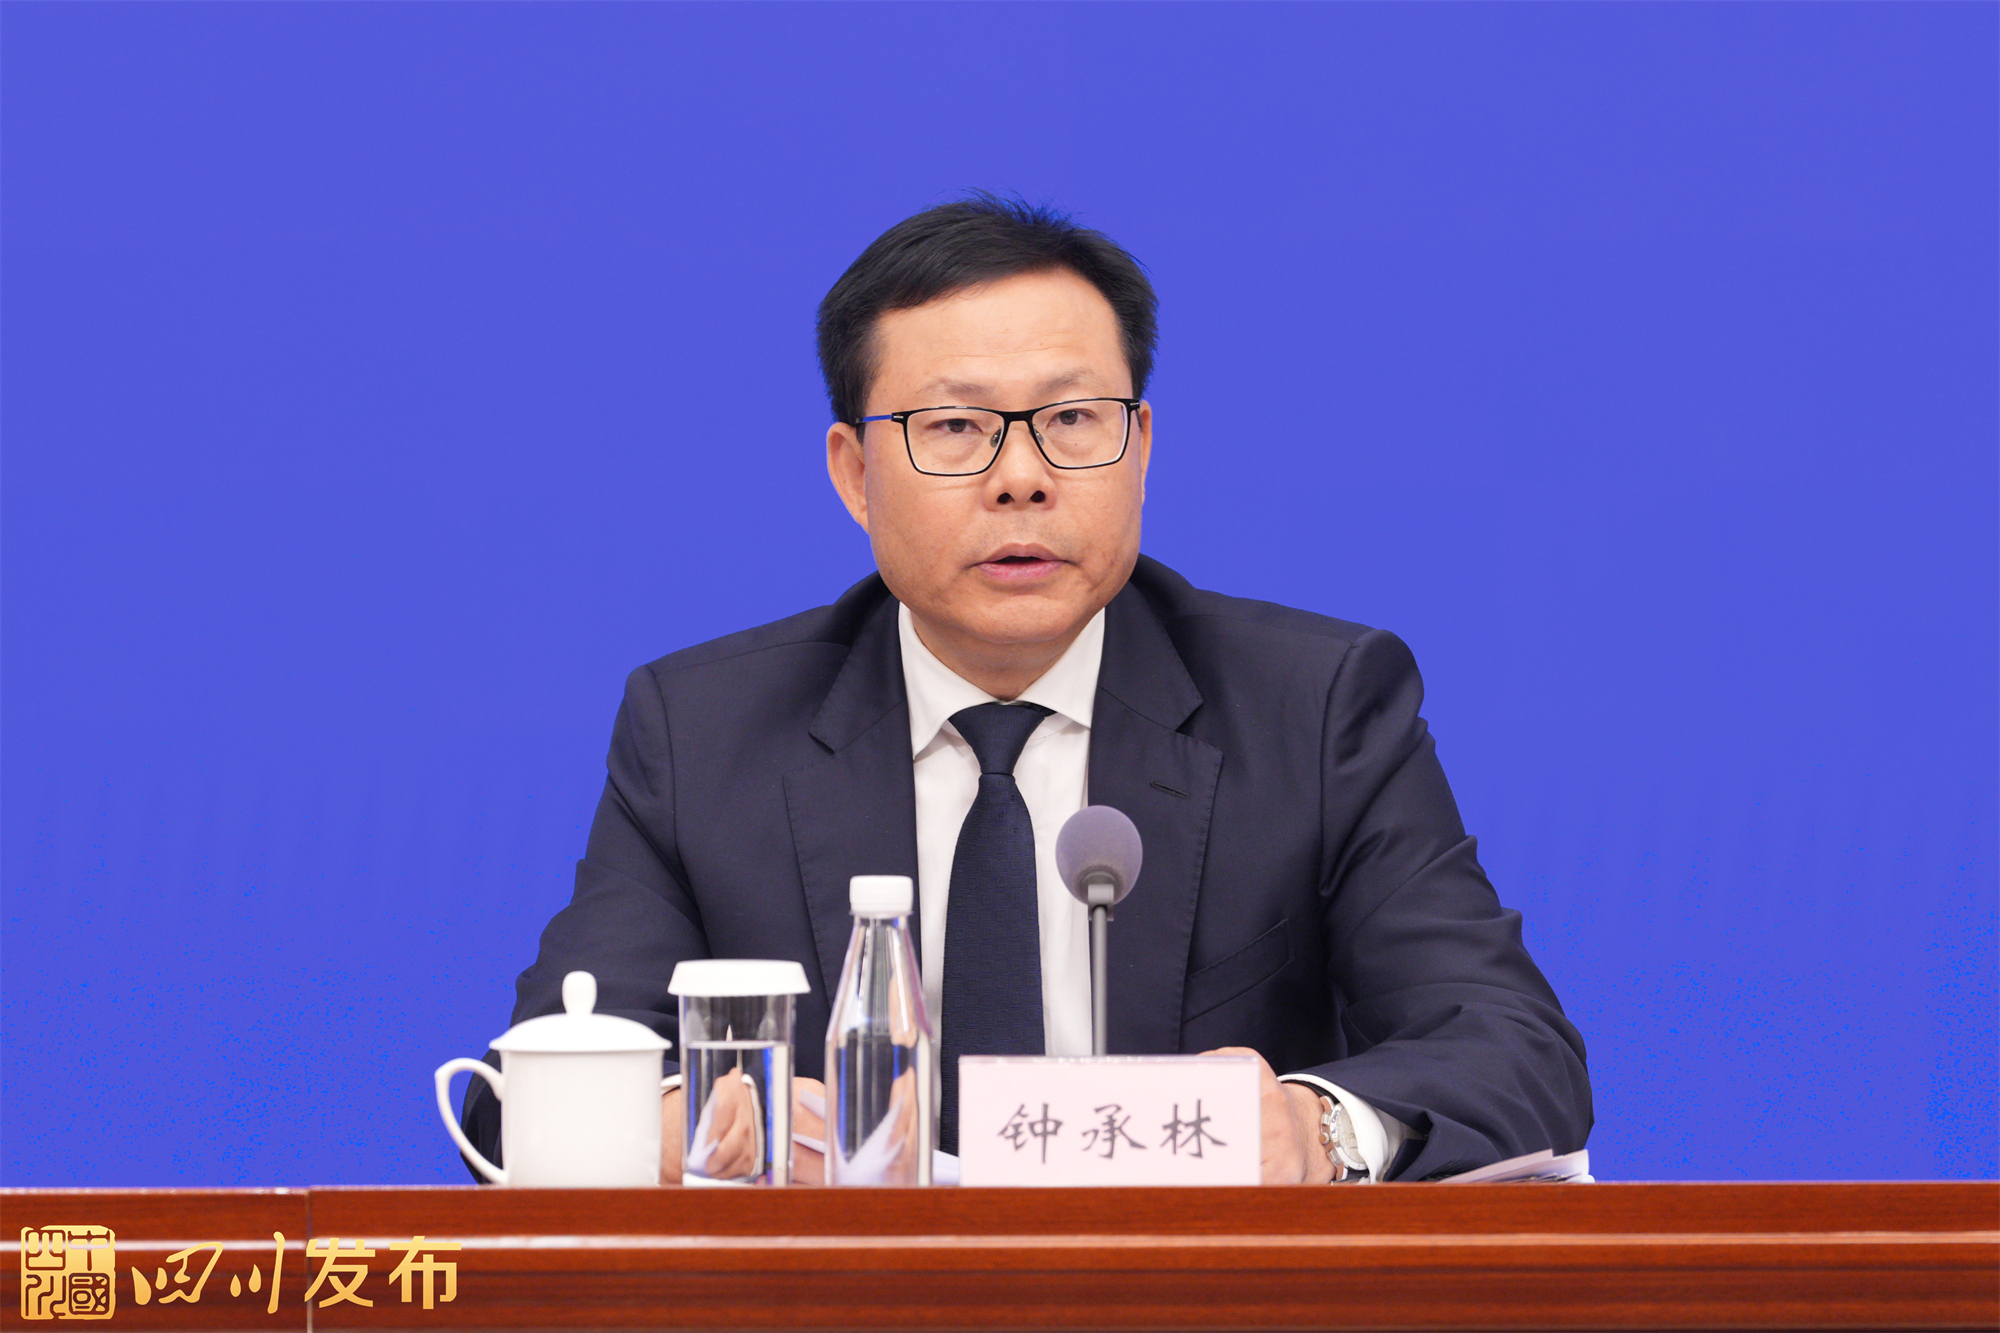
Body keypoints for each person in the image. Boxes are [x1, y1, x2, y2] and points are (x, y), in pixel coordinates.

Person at [461, 194, 1591, 1185]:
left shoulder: (1313, 709)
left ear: (1139, 447)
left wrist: (1310, 1129)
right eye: (954, 427)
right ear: (855, 474)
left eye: (1071, 421)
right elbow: (517, 1097)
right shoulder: (704, 733)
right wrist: (670, 1129)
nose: (1021, 478)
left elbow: (1516, 1051)